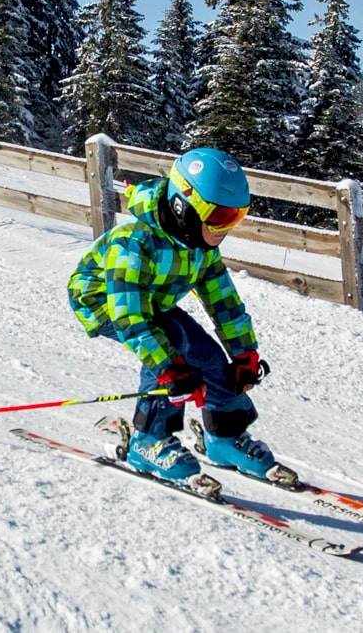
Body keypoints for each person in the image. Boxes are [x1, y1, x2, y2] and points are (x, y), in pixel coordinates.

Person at [68, 147, 288, 496]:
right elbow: (131, 316)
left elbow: (223, 301)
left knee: (210, 358)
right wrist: (169, 369)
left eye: (237, 216)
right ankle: (147, 439)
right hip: (105, 301)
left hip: (154, 300)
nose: (226, 228)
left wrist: (244, 353)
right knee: (171, 344)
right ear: (183, 206)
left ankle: (224, 437)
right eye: (220, 216)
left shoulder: (201, 246)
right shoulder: (134, 241)